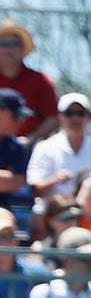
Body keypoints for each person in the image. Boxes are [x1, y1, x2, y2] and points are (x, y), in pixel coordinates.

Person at [27, 94, 91, 202]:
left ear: (88, 118)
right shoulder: (44, 147)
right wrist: (56, 180)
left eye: (80, 113)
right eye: (69, 113)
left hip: (90, 214)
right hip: (53, 213)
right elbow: (35, 191)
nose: (75, 118)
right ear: (60, 117)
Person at [0, 20, 59, 144]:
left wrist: (30, 139)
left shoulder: (41, 81)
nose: (8, 49)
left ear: (22, 49)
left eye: (14, 43)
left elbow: (53, 119)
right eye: (3, 44)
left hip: (31, 150)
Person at [1, 91, 33, 236]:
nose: (20, 121)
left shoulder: (18, 147)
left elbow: (16, 183)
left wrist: (10, 180)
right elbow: (8, 181)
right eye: (15, 116)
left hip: (3, 214)